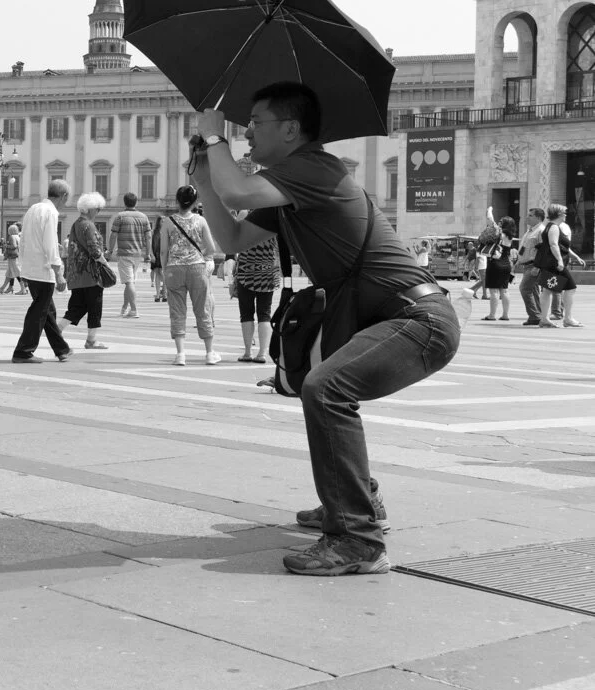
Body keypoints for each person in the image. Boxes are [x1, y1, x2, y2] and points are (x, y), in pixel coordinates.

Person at [193, 81, 459, 576]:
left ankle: (358, 541)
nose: (247, 133)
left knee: (326, 388)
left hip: (417, 319)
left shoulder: (314, 168)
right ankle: (358, 500)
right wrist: (206, 182)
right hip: (388, 317)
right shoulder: (288, 186)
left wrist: (214, 138)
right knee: (319, 387)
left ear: (290, 129)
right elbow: (231, 237)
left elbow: (239, 190)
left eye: (256, 123)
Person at [157, 184, 219, 366]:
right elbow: (212, 248)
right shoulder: (201, 221)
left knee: (177, 312)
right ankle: (209, 353)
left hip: (174, 269)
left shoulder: (168, 222)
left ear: (177, 201)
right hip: (197, 268)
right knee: (203, 309)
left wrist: (165, 269)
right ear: (195, 202)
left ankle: (180, 354)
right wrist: (200, 255)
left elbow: (163, 251)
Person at [13, 180, 72, 363]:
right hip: (43, 270)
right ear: (64, 196)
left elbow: (23, 240)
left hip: (31, 268)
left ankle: (61, 349)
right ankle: (23, 351)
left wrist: (23, 266)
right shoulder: (51, 212)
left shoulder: (33, 209)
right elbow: (50, 244)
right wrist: (59, 272)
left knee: (47, 311)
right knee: (39, 311)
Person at [60, 191, 111, 350]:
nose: (98, 212)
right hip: (91, 274)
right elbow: (94, 250)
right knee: (95, 307)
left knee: (77, 306)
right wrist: (105, 263)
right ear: (90, 209)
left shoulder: (76, 223)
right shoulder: (88, 225)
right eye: (98, 209)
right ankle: (91, 340)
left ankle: (57, 330)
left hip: (77, 274)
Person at [233, 231, 281, 362]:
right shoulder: (274, 221)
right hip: (269, 270)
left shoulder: (246, 218)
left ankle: (248, 352)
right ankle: (262, 353)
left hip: (246, 269)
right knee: (265, 313)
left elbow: (235, 241)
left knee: (246, 313)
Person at [535, 203, 584, 328]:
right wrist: (560, 261)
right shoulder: (554, 227)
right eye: (564, 213)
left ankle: (544, 319)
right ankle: (568, 318)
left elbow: (562, 246)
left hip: (549, 263)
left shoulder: (549, 226)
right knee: (571, 288)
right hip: (555, 264)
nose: (566, 215)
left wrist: (576, 257)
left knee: (547, 290)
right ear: (559, 214)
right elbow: (553, 244)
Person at [109, 192, 152, 318]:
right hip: (137, 254)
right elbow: (148, 237)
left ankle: (134, 310)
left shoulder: (120, 217)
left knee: (129, 283)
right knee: (130, 282)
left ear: (124, 202)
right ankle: (124, 307)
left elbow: (113, 235)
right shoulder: (143, 217)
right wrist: (148, 254)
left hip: (124, 253)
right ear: (136, 202)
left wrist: (110, 251)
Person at [480, 216, 516, 322]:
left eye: (501, 221)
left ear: (504, 224)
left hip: (495, 263)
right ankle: (505, 315)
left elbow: (490, 221)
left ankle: (492, 315)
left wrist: (490, 211)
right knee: (504, 290)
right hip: (506, 264)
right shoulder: (510, 236)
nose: (499, 223)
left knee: (494, 291)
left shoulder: (499, 234)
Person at [516, 208, 549, 325]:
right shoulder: (530, 231)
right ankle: (537, 315)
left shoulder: (541, 231)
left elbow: (544, 250)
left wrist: (538, 266)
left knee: (524, 288)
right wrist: (519, 260)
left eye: (530, 215)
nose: (527, 217)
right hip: (527, 265)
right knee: (533, 291)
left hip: (534, 265)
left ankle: (534, 316)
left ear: (538, 218)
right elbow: (525, 247)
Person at [0, 222, 25, 295]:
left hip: (12, 258)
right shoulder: (18, 237)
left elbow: (14, 246)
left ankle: (23, 289)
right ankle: (2, 288)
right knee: (9, 274)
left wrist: (6, 246)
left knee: (17, 273)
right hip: (16, 257)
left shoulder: (12, 237)